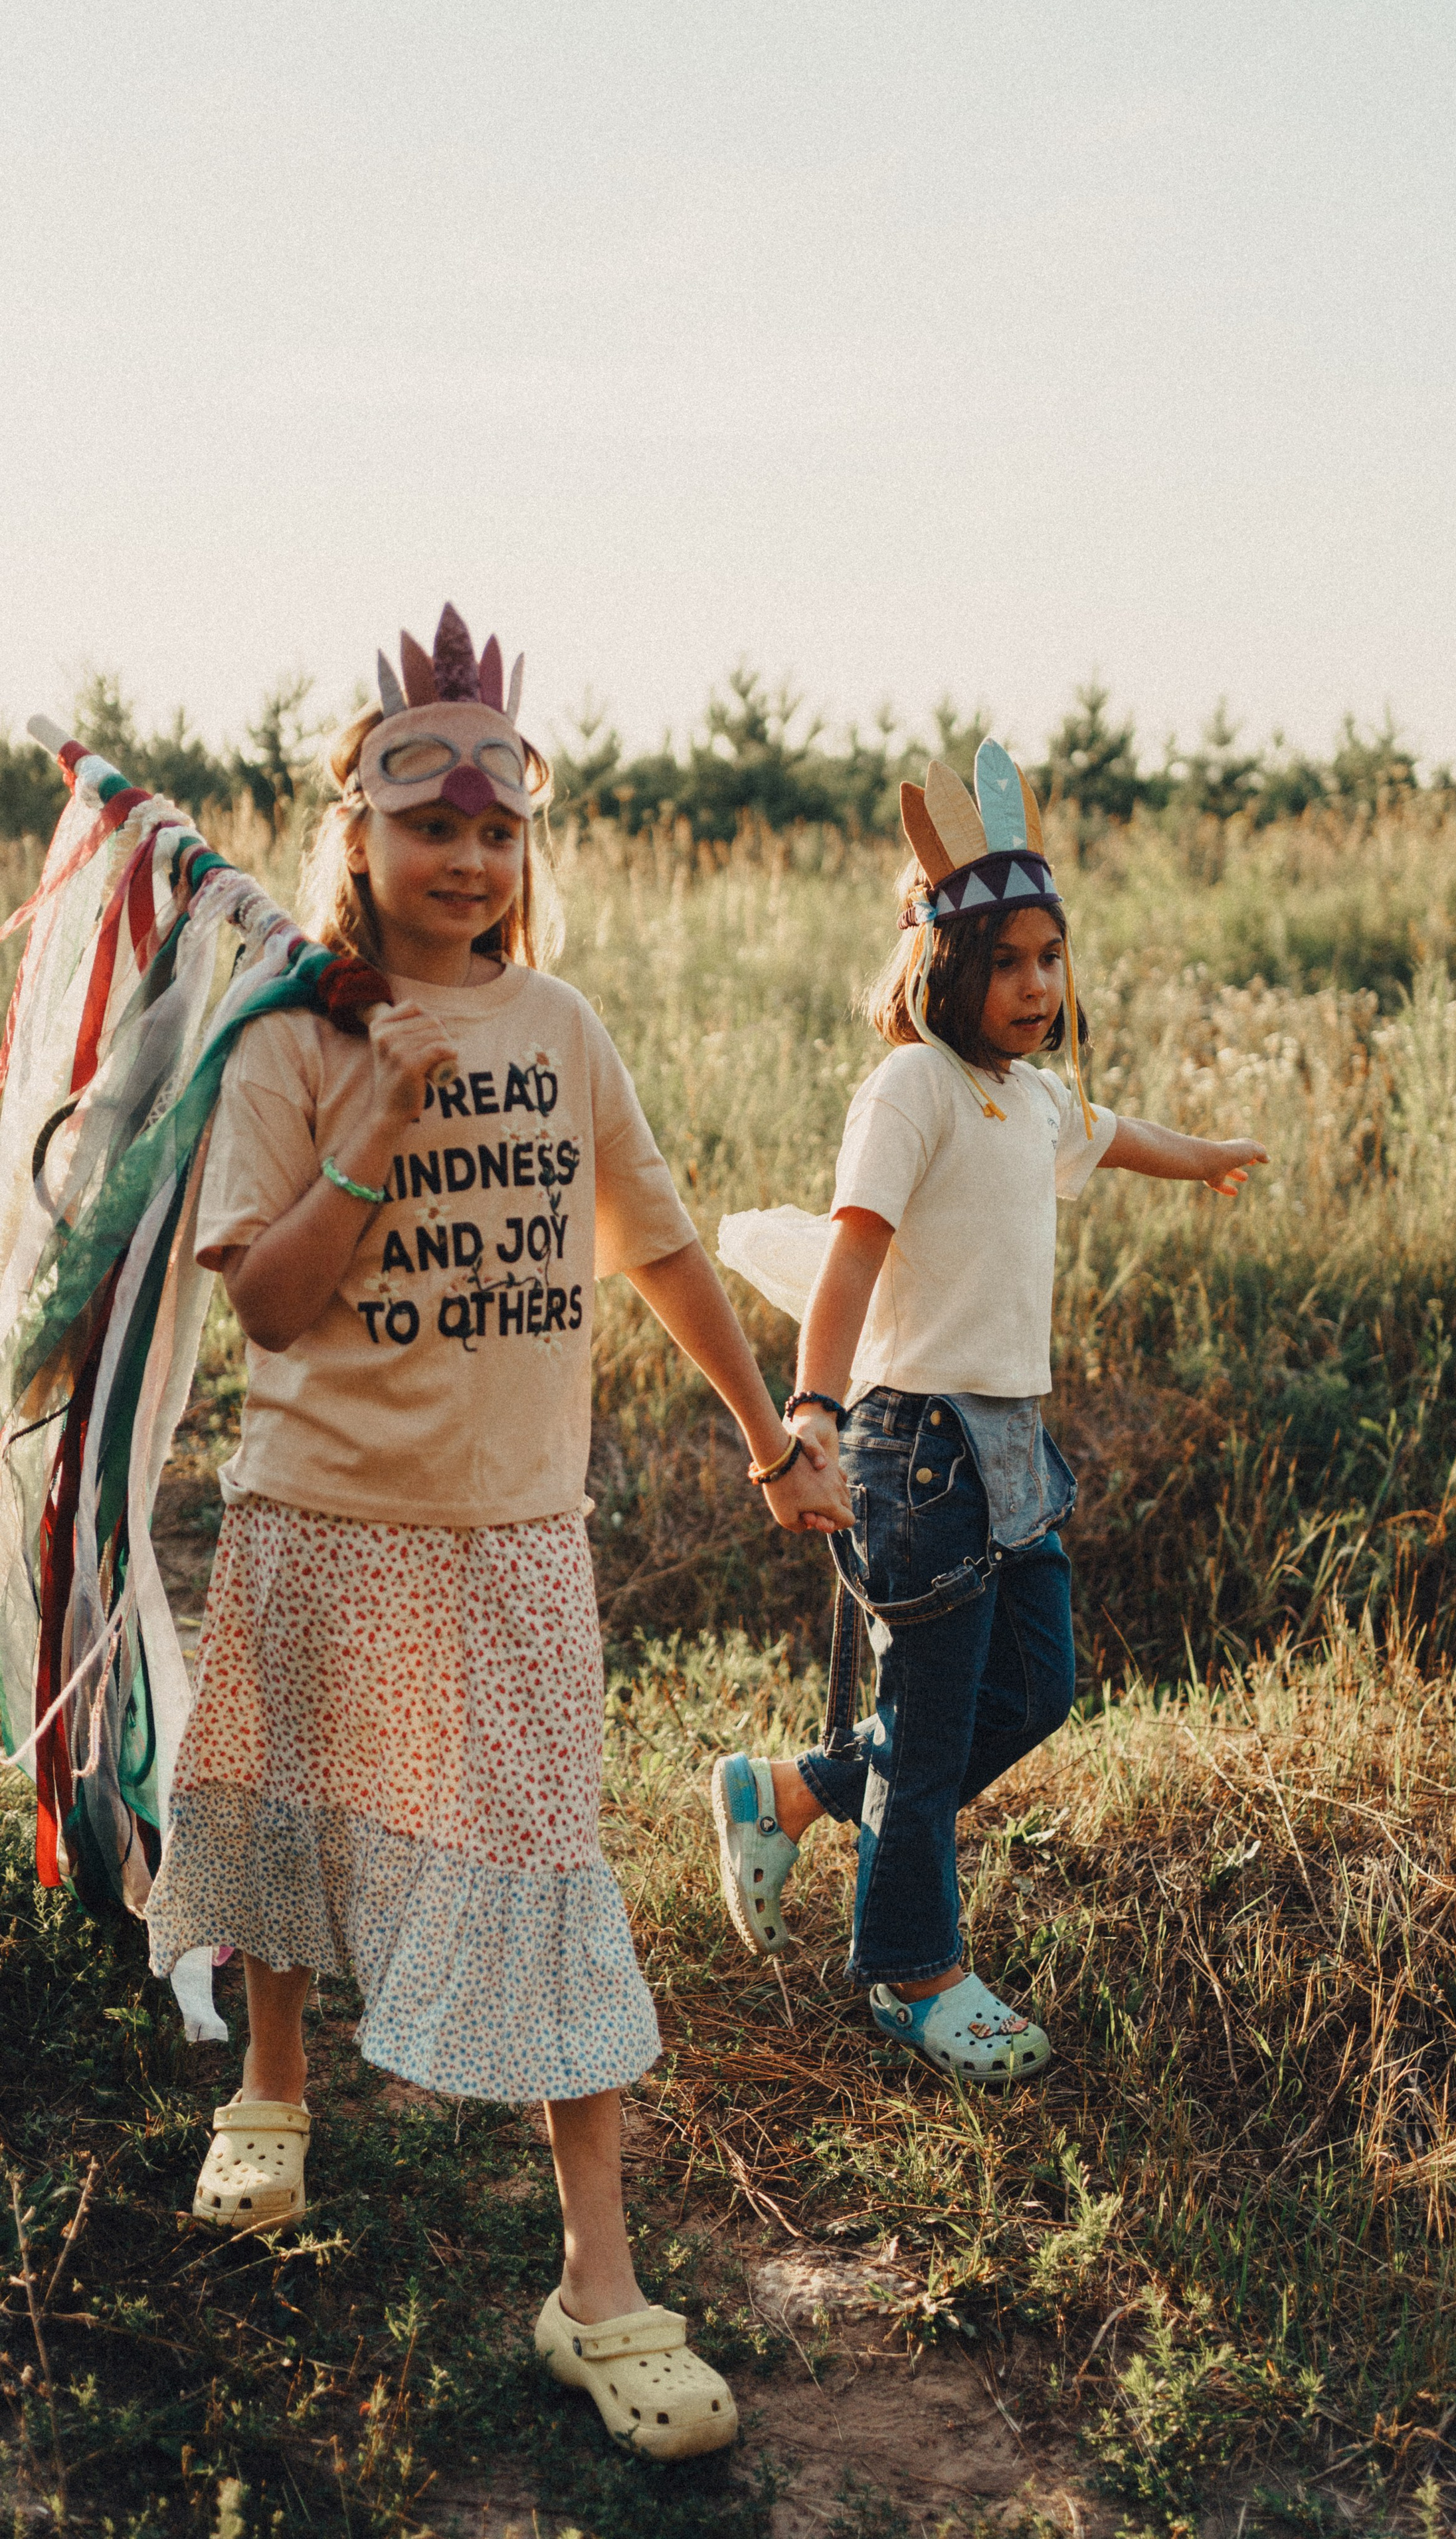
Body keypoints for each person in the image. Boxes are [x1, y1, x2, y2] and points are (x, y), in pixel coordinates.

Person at [144, 606, 848, 2461]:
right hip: (321, 1510)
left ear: (529, 845)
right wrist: (371, 1127)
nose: (468, 859)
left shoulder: (561, 1026)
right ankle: (274, 2091)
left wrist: (772, 1434)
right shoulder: (293, 1036)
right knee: (286, 1800)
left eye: (500, 829)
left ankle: (595, 2288)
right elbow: (274, 1310)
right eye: (429, 825)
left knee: (547, 1865)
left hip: (514, 1536)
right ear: (356, 839)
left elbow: (665, 1244)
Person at [711, 741, 1265, 2085]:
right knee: (940, 1713)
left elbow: (1113, 1131)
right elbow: (847, 1258)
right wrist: (812, 1416)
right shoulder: (910, 1089)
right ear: (940, 970)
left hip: (1010, 1439)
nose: (1033, 986)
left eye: (1047, 959)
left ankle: (787, 1793)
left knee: (1036, 1684)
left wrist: (1204, 1161)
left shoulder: (1030, 1098)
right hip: (911, 1444)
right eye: (1004, 962)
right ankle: (914, 1973)